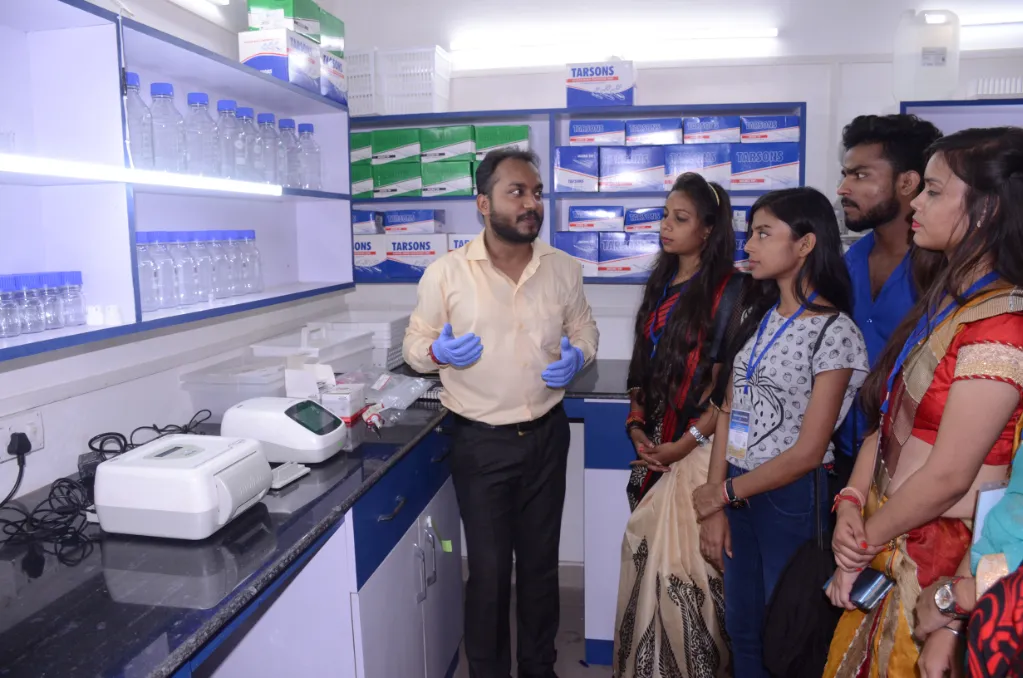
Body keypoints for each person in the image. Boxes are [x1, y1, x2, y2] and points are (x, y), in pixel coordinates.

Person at [824, 127, 1023, 678]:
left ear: (985, 210)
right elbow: (884, 422)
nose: (914, 202)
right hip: (889, 539)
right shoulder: (947, 299)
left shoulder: (1000, 322)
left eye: (934, 192)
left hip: (934, 557)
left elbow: (951, 475)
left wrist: (862, 541)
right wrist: (849, 499)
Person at [402, 149, 599, 678]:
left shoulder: (562, 269)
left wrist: (580, 353)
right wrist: (437, 354)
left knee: (539, 567)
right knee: (488, 572)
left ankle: (539, 668)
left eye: (536, 192)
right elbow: (414, 345)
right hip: (480, 441)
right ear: (483, 203)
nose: (531, 203)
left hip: (545, 435)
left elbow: (584, 327)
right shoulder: (446, 273)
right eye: (518, 192)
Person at [693, 187, 870, 678]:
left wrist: (722, 493)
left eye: (764, 234)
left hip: (790, 497)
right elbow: (729, 409)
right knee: (743, 627)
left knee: (788, 632)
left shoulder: (834, 332)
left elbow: (811, 450)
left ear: (806, 244)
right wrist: (717, 497)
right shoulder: (760, 316)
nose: (749, 245)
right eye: (750, 234)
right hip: (739, 489)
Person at [613, 173, 746, 678]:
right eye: (665, 216)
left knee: (682, 582)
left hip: (698, 460)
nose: (665, 227)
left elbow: (729, 391)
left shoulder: (732, 292)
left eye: (680, 218)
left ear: (709, 230)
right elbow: (641, 372)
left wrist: (683, 443)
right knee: (643, 567)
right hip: (655, 456)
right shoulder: (661, 284)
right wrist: (637, 428)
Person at [835, 114, 943, 461]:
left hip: (909, 461)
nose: (843, 189)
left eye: (860, 175)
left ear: (908, 182)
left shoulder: (943, 270)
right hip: (839, 451)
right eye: (845, 174)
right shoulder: (851, 260)